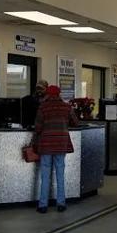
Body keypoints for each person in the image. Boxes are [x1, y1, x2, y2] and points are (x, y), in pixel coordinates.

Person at [34, 85, 79, 213]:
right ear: (59, 94)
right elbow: (76, 122)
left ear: (47, 94)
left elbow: (38, 127)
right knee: (60, 174)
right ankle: (61, 204)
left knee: (45, 175)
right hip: (61, 143)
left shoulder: (43, 107)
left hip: (46, 144)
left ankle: (43, 205)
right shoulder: (66, 107)